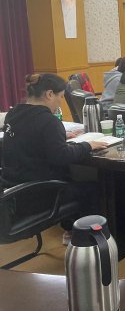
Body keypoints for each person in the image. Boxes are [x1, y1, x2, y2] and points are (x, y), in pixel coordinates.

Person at [1, 74, 108, 243]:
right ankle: (81, 237)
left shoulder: (13, 114)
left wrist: (59, 137)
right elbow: (61, 156)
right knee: (92, 189)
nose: (60, 103)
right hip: (37, 195)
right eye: (60, 96)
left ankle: (70, 230)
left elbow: (29, 138)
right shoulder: (48, 120)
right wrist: (88, 145)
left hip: (13, 191)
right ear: (49, 94)